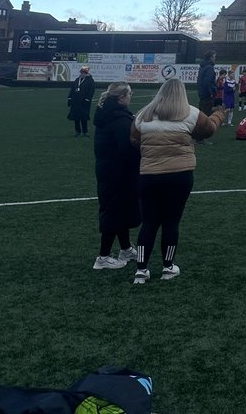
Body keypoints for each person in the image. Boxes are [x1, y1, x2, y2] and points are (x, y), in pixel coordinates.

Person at [130, 77, 225, 284]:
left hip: (149, 175)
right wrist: (218, 115)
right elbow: (209, 129)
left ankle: (141, 269)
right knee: (171, 222)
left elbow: (134, 140)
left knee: (149, 223)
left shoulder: (143, 114)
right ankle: (168, 267)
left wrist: (151, 152)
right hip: (180, 175)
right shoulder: (190, 113)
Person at [92, 82, 141, 269]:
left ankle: (126, 248)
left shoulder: (111, 115)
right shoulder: (119, 120)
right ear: (121, 97)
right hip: (117, 173)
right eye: (129, 93)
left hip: (111, 170)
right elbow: (128, 149)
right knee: (113, 211)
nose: (131, 96)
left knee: (121, 210)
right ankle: (103, 257)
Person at [67, 66, 96, 137]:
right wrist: (69, 98)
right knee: (76, 117)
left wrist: (87, 99)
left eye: (83, 73)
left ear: (86, 74)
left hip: (84, 102)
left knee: (84, 117)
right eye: (81, 72)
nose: (81, 74)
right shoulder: (77, 80)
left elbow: (91, 91)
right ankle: (77, 132)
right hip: (75, 102)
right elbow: (72, 89)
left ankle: (85, 132)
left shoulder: (90, 81)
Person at [196, 51, 217, 118]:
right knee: (206, 117)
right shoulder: (209, 68)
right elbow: (207, 82)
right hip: (207, 95)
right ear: (211, 58)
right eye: (214, 57)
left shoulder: (202, 67)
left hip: (201, 93)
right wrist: (211, 93)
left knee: (201, 115)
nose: (215, 58)